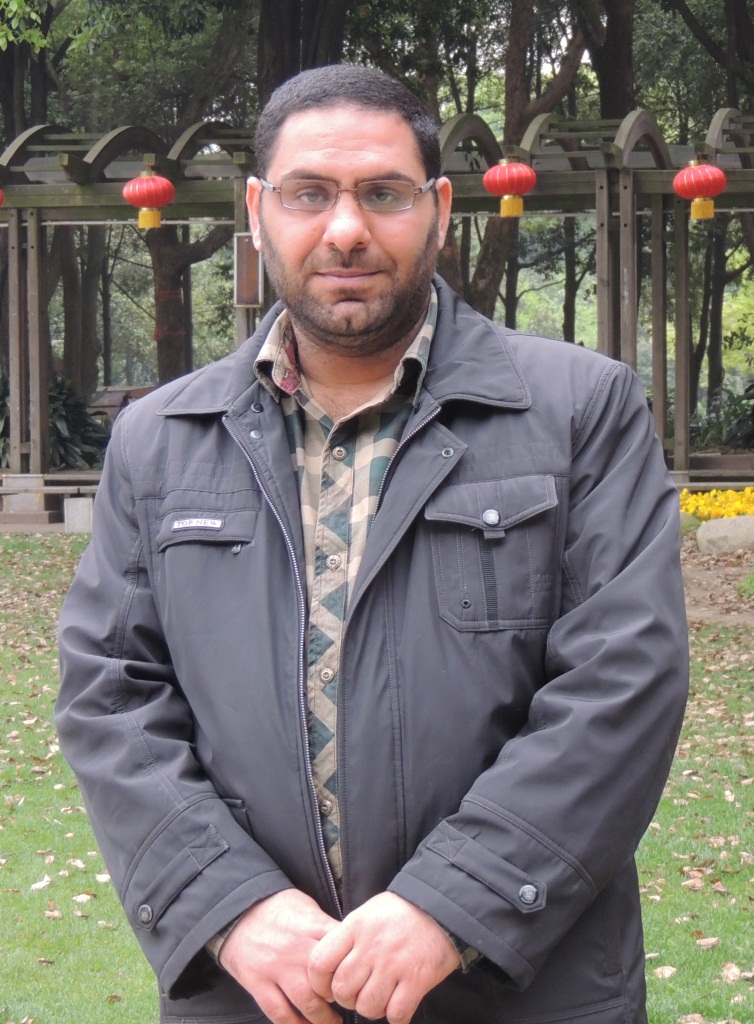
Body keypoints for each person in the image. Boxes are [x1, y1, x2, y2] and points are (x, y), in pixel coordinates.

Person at [56, 64, 689, 1024]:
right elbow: (112, 694)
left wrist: (451, 907)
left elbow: (623, 683)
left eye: (384, 194)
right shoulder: (160, 440)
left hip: (520, 986)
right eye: (309, 193)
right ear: (258, 211)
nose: (346, 229)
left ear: (439, 210)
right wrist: (229, 906)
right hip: (261, 990)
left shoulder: (577, 411)